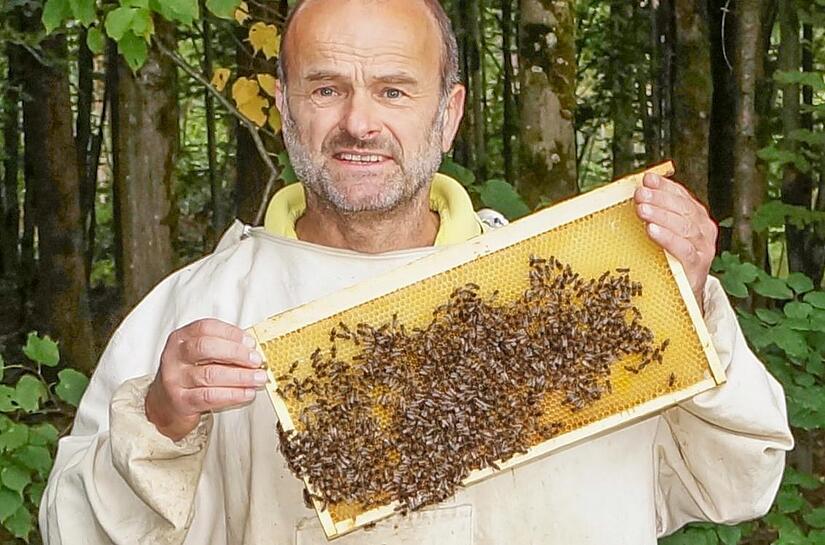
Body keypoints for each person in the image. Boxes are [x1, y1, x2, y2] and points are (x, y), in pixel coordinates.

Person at [40, 0, 793, 543]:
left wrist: (688, 303)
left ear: (450, 111)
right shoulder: (192, 316)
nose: (360, 122)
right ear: (284, 106)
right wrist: (163, 424)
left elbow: (735, 479)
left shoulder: (576, 280)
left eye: (394, 90)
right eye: (326, 87)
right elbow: (76, 531)